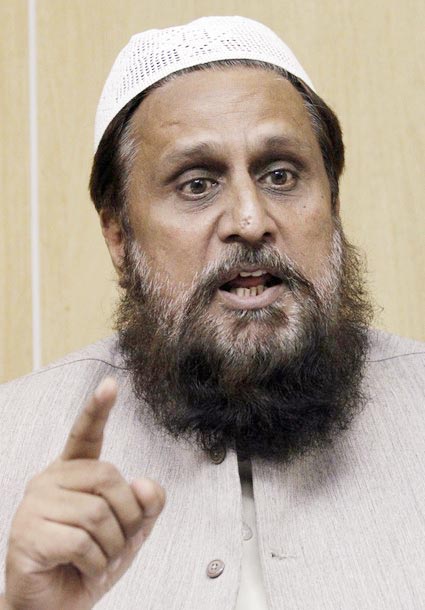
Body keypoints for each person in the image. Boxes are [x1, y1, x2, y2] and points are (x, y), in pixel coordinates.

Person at [0, 15, 424, 610]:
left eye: (281, 175)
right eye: (197, 185)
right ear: (119, 237)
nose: (250, 220)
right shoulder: (11, 442)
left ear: (333, 203)